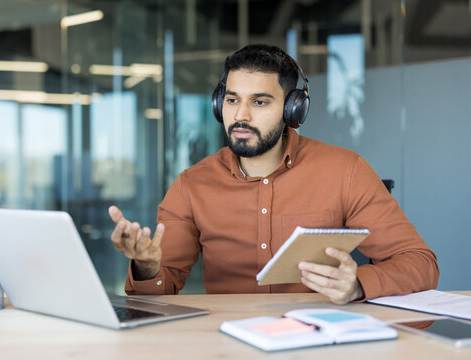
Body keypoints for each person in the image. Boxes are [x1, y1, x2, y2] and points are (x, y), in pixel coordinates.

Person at [108, 44, 439, 305]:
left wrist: (357, 286)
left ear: (293, 109)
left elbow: (420, 263)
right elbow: (156, 297)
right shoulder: (192, 185)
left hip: (318, 339)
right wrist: (148, 267)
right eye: (232, 100)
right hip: (226, 340)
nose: (240, 115)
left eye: (260, 102)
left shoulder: (344, 170)